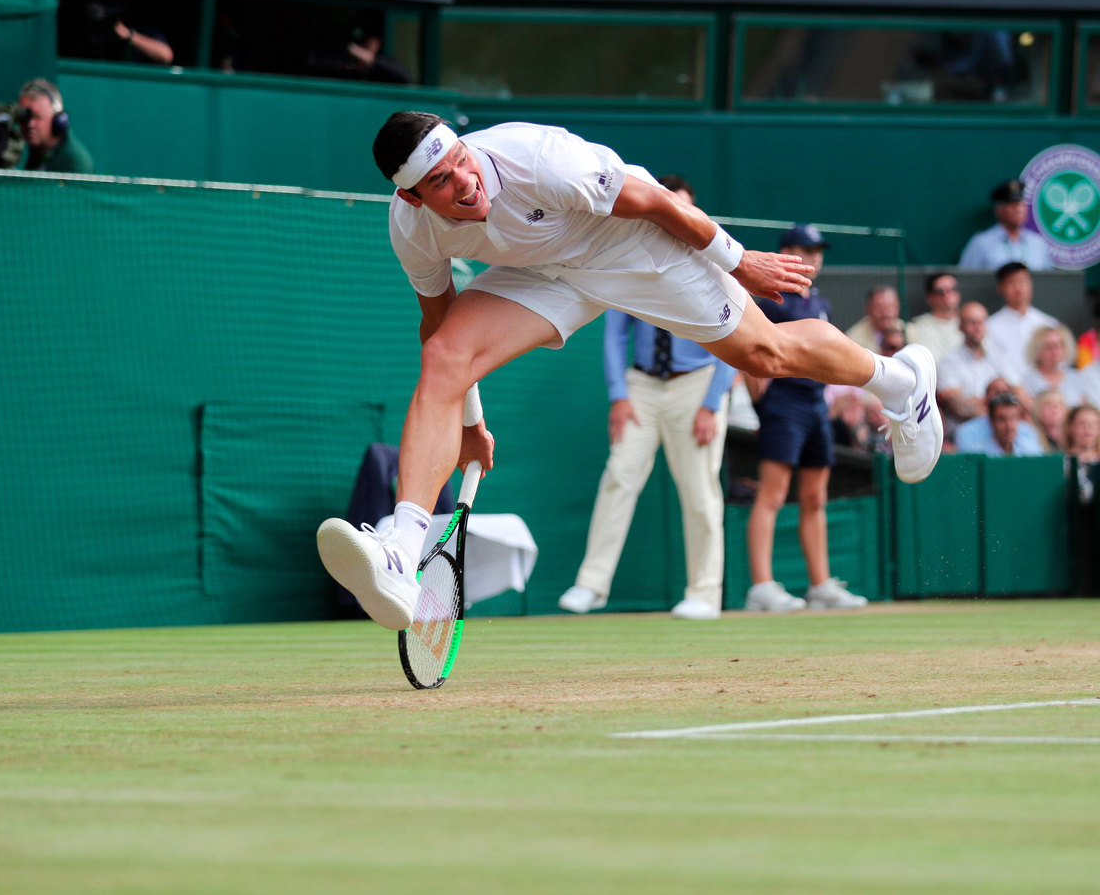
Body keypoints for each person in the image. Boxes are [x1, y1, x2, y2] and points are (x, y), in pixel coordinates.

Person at [317, 112, 942, 631]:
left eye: (461, 161)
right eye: (440, 180)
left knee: (764, 354)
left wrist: (739, 259)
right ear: (411, 196)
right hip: (542, 275)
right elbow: (439, 326)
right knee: (442, 358)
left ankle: (899, 382)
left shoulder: (534, 159)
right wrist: (469, 421)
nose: (464, 182)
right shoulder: (411, 230)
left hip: (630, 239)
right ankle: (401, 548)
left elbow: (653, 200)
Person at [557, 177, 737, 621]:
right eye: (668, 206)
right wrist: (619, 395)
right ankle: (591, 586)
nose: (677, 215)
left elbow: (738, 337)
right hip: (642, 386)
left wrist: (712, 404)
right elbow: (616, 335)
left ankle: (704, 593)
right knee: (619, 475)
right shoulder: (630, 252)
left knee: (700, 489)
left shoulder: (716, 259)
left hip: (697, 384)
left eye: (686, 208)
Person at [745, 224, 869, 613]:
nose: (815, 257)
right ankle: (761, 587)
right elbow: (750, 352)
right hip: (783, 402)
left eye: (818, 251)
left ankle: (820, 586)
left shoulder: (822, 303)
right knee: (773, 495)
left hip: (815, 404)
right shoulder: (770, 298)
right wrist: (763, 406)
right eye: (807, 250)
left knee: (815, 496)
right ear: (787, 252)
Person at [935, 301, 1025, 428]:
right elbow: (959, 407)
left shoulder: (1000, 357)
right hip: (964, 430)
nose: (978, 327)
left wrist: (977, 401)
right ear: (960, 326)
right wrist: (993, 399)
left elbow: (1020, 395)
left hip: (1001, 428)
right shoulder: (948, 362)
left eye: (981, 321)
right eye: (972, 322)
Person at [958, 179, 1053, 271]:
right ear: (998, 210)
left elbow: (1048, 281)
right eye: (1012, 205)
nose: (1018, 209)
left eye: (1021, 204)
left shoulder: (1037, 243)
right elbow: (967, 278)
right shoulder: (981, 243)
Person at [984, 261, 1061, 374]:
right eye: (1012, 282)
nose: (1019, 289)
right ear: (1000, 287)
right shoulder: (989, 326)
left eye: (1023, 281)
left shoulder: (1049, 324)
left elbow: (1060, 365)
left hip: (1044, 388)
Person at [17, 79, 94, 174]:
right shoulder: (36, 152)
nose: (30, 124)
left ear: (58, 120)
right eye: (25, 117)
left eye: (38, 117)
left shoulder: (75, 162)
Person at [954, 388, 1044, 457]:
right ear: (991, 421)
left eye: (1013, 418)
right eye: (1002, 419)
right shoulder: (977, 452)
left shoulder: (1030, 447)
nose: (1009, 426)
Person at [906, 272, 963, 361]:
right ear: (929, 297)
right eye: (940, 291)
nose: (947, 295)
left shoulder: (971, 322)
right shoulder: (915, 327)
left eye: (953, 289)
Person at [1023, 324, 1083, 405]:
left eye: (1058, 346)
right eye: (1048, 346)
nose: (1054, 351)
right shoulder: (1026, 380)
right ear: (1037, 350)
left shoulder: (1075, 378)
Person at [844, 285, 905, 354]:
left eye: (890, 307)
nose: (886, 314)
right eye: (879, 308)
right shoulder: (853, 340)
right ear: (868, 309)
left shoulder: (909, 332)